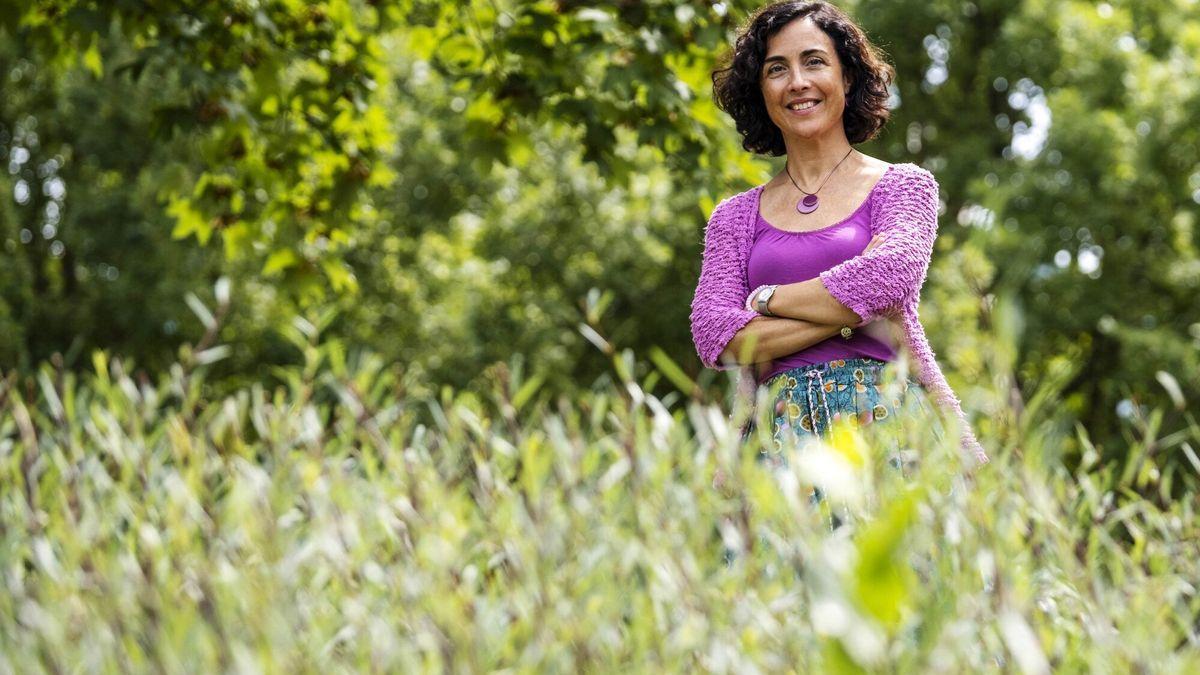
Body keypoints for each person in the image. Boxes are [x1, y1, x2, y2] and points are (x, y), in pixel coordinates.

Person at [689, 0, 989, 518]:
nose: (797, 81)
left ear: (846, 78)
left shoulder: (901, 186)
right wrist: (851, 313)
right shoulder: (733, 218)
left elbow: (885, 280)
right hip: (775, 445)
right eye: (776, 69)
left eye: (814, 61)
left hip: (890, 428)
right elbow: (715, 335)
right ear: (760, 91)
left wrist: (765, 302)